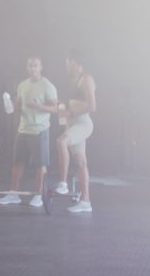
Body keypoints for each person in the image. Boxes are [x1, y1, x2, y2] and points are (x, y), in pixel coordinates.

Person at [0, 57, 59, 207]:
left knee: (40, 164)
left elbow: (55, 109)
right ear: (27, 67)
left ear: (41, 67)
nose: (32, 68)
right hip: (23, 130)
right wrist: (9, 106)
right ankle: (14, 194)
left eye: (35, 66)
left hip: (40, 130)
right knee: (18, 162)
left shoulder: (48, 86)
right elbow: (17, 106)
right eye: (30, 66)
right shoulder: (22, 85)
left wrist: (40, 107)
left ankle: (38, 196)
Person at [56, 49, 97, 212]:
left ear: (73, 61)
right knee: (80, 162)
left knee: (61, 142)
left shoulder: (86, 79)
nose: (66, 64)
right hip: (72, 124)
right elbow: (73, 103)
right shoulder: (73, 81)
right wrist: (63, 107)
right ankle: (85, 202)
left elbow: (92, 106)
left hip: (82, 124)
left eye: (67, 61)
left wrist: (70, 112)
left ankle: (63, 183)